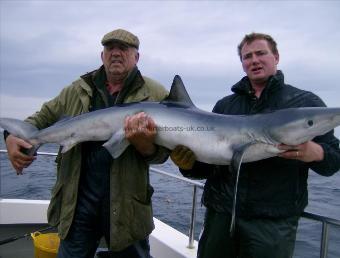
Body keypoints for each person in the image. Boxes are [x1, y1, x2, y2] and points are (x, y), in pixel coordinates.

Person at [170, 32, 340, 258]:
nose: (254, 60)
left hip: (271, 225)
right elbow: (210, 167)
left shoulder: (305, 103)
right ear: (242, 64)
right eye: (247, 56)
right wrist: (188, 165)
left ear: (276, 57)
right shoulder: (225, 106)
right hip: (220, 217)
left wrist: (316, 153)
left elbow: (334, 160)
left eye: (261, 53)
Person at [4, 29, 169, 258]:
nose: (116, 53)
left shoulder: (156, 94)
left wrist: (145, 146)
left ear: (136, 57)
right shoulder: (77, 90)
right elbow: (39, 119)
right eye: (110, 48)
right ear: (102, 56)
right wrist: (10, 137)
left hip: (127, 206)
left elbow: (163, 154)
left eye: (123, 48)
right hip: (78, 203)